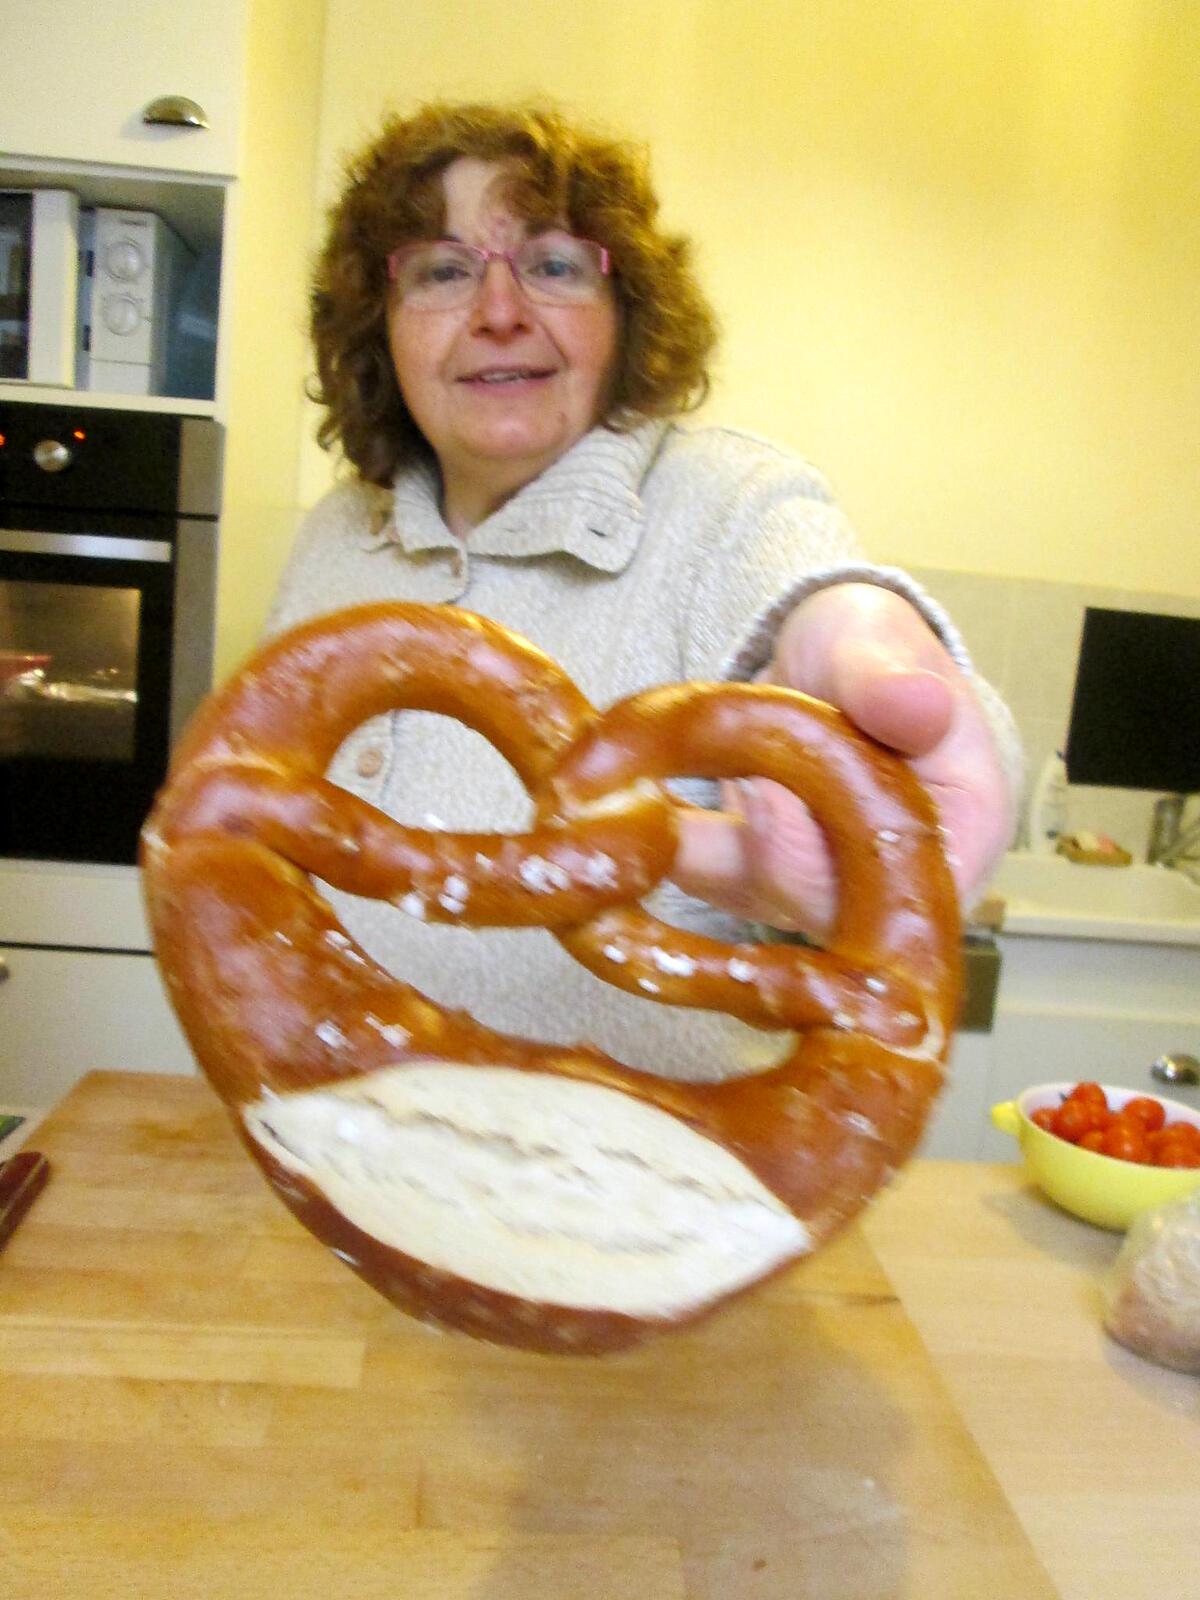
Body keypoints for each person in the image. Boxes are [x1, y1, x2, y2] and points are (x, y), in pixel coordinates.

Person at [268, 99, 1020, 1079]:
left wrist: (900, 700)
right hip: (335, 1165)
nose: (501, 313)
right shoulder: (336, 536)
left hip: (633, 1199)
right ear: (381, 319)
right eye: (444, 271)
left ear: (627, 314)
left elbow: (826, 611)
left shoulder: (725, 505)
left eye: (553, 265)